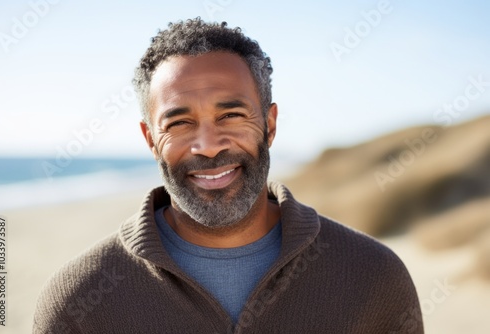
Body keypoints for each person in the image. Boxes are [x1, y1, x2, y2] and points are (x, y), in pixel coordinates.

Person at [33, 18, 424, 333]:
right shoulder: (78, 302)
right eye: (180, 122)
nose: (208, 145)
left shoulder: (373, 276)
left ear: (269, 125)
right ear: (151, 140)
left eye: (231, 115)